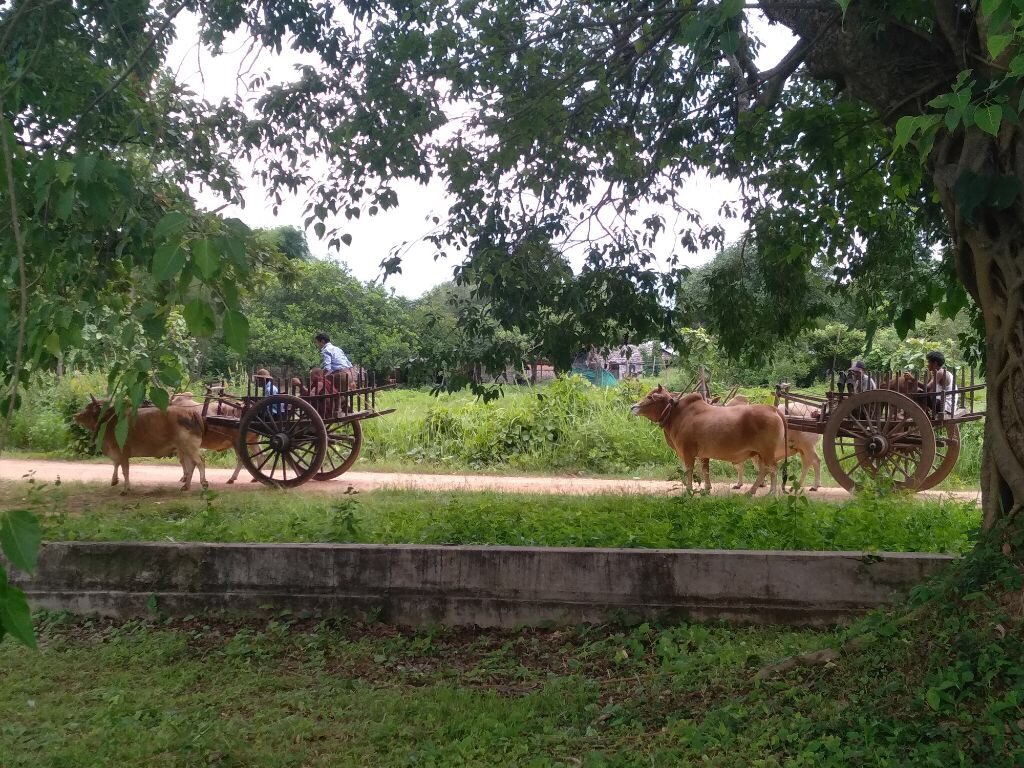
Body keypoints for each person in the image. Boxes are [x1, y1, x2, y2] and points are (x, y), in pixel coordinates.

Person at [924, 350, 957, 415]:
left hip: (945, 406)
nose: (928, 365)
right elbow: (929, 391)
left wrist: (913, 379)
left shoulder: (941, 372)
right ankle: (925, 414)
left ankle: (925, 415)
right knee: (922, 394)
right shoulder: (938, 373)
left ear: (935, 363)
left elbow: (927, 388)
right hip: (946, 404)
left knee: (919, 394)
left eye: (929, 362)